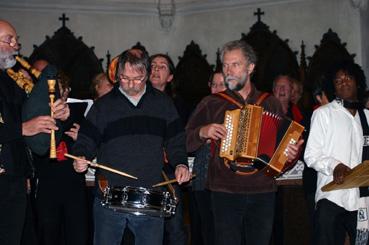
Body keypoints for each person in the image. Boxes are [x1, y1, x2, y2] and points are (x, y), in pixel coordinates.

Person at [186, 40, 303, 245]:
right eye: (225, 65)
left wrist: (290, 156)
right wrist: (203, 132)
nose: (228, 70)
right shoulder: (211, 102)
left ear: (250, 67)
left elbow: (282, 154)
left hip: (263, 191)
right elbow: (184, 142)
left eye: (235, 64)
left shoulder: (270, 102)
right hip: (224, 191)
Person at [72, 49, 191, 245]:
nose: (130, 84)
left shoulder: (163, 103)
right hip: (110, 194)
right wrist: (80, 156)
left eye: (137, 79)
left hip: (151, 194)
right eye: (124, 78)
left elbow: (176, 141)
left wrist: (180, 164)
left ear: (147, 73)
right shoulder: (103, 106)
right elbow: (86, 140)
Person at [0, 19, 70, 245]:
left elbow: (34, 130)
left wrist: (55, 115)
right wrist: (22, 128)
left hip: (16, 177)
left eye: (16, 40)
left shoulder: (13, 81)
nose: (16, 45)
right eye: (9, 39)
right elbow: (22, 127)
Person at [304, 61, 369, 245]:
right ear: (332, 87)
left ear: (358, 82)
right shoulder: (323, 114)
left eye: (348, 78)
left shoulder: (367, 117)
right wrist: (335, 165)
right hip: (331, 196)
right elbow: (311, 155)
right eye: (338, 80)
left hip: (361, 199)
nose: (343, 82)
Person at [33, 70, 88, 245]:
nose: (58, 96)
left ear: (67, 92)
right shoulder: (36, 113)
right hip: (47, 180)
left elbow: (92, 144)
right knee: (48, 232)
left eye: (61, 91)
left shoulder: (79, 112)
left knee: (77, 232)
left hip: (73, 181)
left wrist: (83, 137)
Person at [149, 53, 188, 245]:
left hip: (168, 171)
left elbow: (181, 137)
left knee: (174, 227)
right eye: (153, 65)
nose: (155, 69)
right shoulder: (137, 100)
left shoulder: (178, 104)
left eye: (162, 66)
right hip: (144, 170)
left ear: (170, 77)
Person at [189, 70, 226, 245]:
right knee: (207, 230)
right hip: (203, 177)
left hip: (230, 182)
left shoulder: (239, 109)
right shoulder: (204, 106)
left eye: (222, 85)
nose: (217, 89)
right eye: (214, 85)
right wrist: (202, 133)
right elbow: (186, 141)